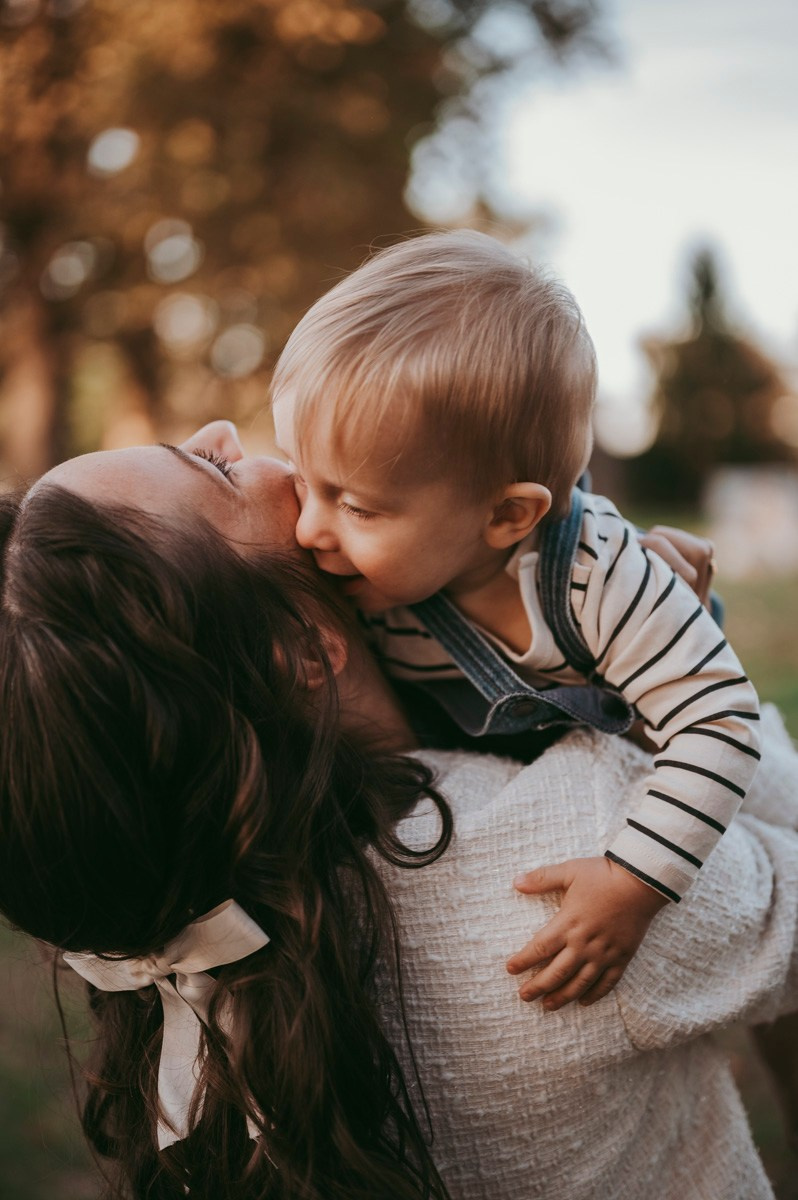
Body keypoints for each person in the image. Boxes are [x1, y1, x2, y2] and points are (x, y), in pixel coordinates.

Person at [0, 422, 797, 1200]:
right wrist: (672, 675)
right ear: (300, 649)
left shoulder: (204, 940)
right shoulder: (570, 853)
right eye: (213, 470)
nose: (224, 431)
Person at [269, 230, 762, 1007]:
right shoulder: (372, 579)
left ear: (506, 516)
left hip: (686, 755)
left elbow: (719, 720)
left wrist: (633, 881)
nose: (309, 529)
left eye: (355, 505)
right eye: (303, 482)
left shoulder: (597, 575)